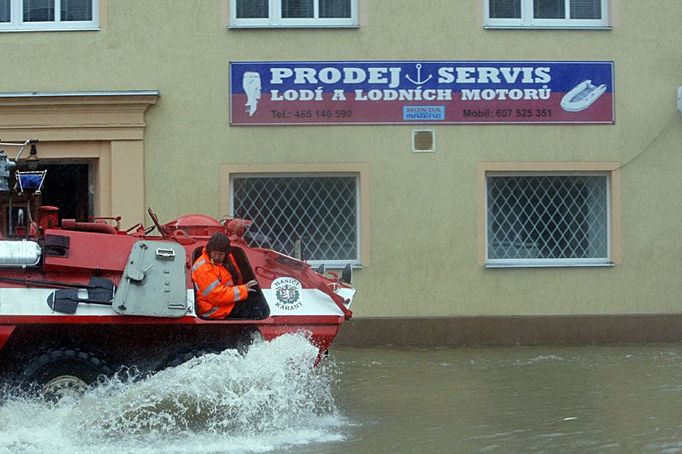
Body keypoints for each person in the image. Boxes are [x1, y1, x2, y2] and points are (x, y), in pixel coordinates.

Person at [191, 232, 258, 319]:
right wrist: (243, 289)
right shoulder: (204, 268)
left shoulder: (226, 260)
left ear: (226, 254)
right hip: (214, 309)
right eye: (215, 253)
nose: (217, 257)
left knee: (255, 300)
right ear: (209, 250)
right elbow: (216, 295)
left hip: (225, 302)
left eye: (220, 254)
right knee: (253, 312)